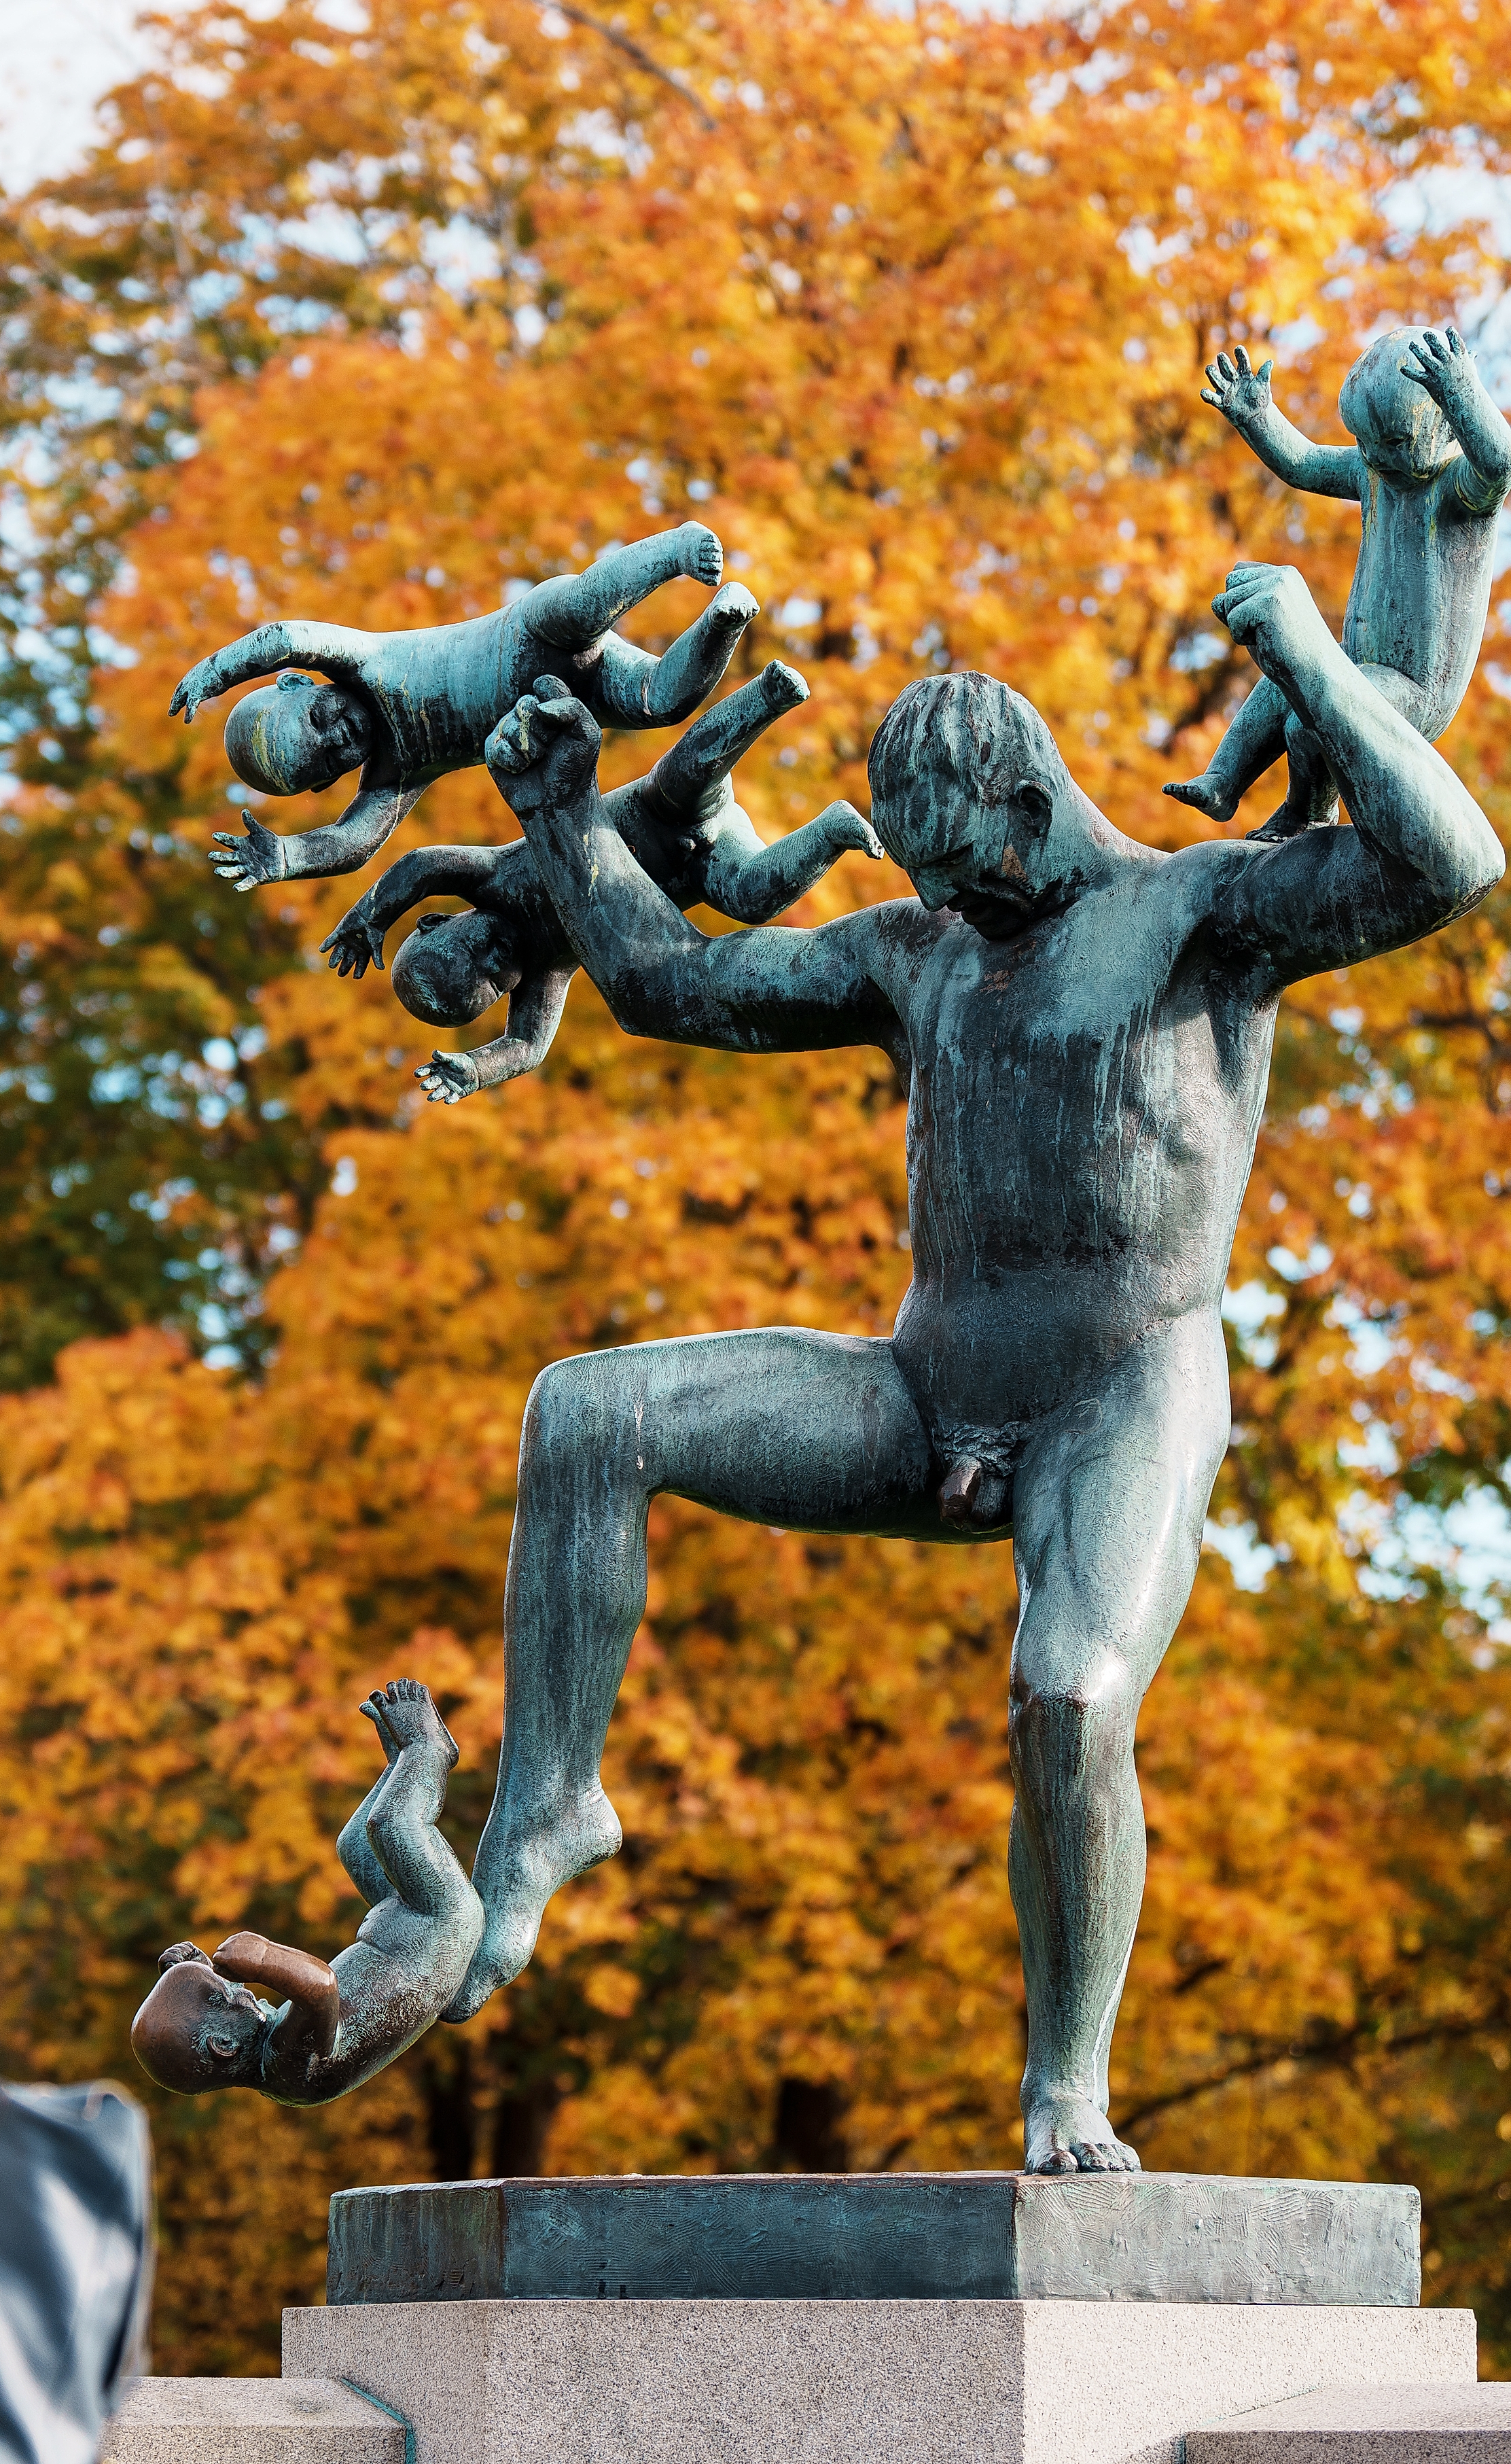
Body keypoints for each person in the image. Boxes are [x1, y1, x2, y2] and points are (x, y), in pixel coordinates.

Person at [442, 560, 1499, 2175]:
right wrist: (564, 824)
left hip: (1120, 1389)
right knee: (586, 1414)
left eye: (968, 869)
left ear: (1029, 799)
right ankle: (543, 1814)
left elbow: (1451, 862)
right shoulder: (915, 953)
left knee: (1066, 1699)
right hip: (925, 1387)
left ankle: (1064, 2086)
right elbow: (670, 991)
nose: (956, 905)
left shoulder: (1200, 914)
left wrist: (1296, 646)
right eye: (929, 881)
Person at [313, 658, 881, 1102]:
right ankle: (833, 832)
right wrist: (475, 1070)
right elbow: (527, 1047)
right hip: (702, 870)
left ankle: (766, 696)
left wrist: (372, 914)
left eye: (473, 946)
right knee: (752, 897)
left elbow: (423, 865)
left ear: (439, 920)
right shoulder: (545, 974)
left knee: (688, 773)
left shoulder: (488, 880)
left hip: (658, 816)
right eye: (489, 981)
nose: (494, 955)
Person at [167, 521, 757, 890]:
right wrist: (288, 858)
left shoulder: (363, 659)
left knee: (583, 605)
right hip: (573, 697)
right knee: (661, 700)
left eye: (320, 721)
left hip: (526, 635)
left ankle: (674, 551)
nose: (340, 737)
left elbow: (288, 637)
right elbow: (353, 845)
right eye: (329, 760)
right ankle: (726, 620)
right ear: (330, 783)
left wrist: (216, 670)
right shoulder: (397, 774)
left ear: (300, 685)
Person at [1166, 325, 1510, 838]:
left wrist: (1462, 393)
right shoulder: (1376, 473)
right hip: (1358, 663)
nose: (1376, 456)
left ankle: (1306, 812)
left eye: (1394, 442)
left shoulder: (1459, 490)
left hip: (1415, 690)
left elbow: (1500, 461)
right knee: (1280, 678)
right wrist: (1258, 417)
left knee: (1309, 719)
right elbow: (1303, 464)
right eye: (1364, 443)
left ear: (1444, 424)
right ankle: (1223, 782)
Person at [130, 1680, 482, 2107]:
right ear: (223, 2047)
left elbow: (218, 2001)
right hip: (438, 1925)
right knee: (391, 1826)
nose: (238, 1990)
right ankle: (429, 1751)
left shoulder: (265, 2056)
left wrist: (194, 1971)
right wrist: (263, 1959)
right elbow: (320, 1987)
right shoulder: (286, 2065)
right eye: (225, 1996)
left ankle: (400, 1765)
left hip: (400, 1923)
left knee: (352, 1843)